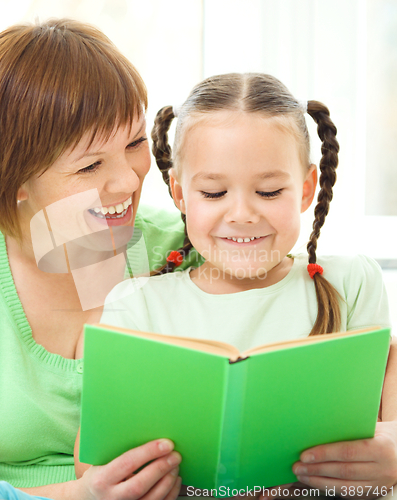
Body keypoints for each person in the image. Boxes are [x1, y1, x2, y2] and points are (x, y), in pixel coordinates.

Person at [0, 18, 202, 500]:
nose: (128, 180)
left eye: (135, 143)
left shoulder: (186, 249)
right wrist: (87, 495)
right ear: (17, 179)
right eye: (90, 165)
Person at [92, 73, 397, 498]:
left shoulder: (351, 282)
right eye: (214, 193)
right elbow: (95, 465)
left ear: (307, 188)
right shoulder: (137, 306)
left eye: (269, 192)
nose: (242, 214)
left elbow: (389, 424)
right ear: (180, 193)